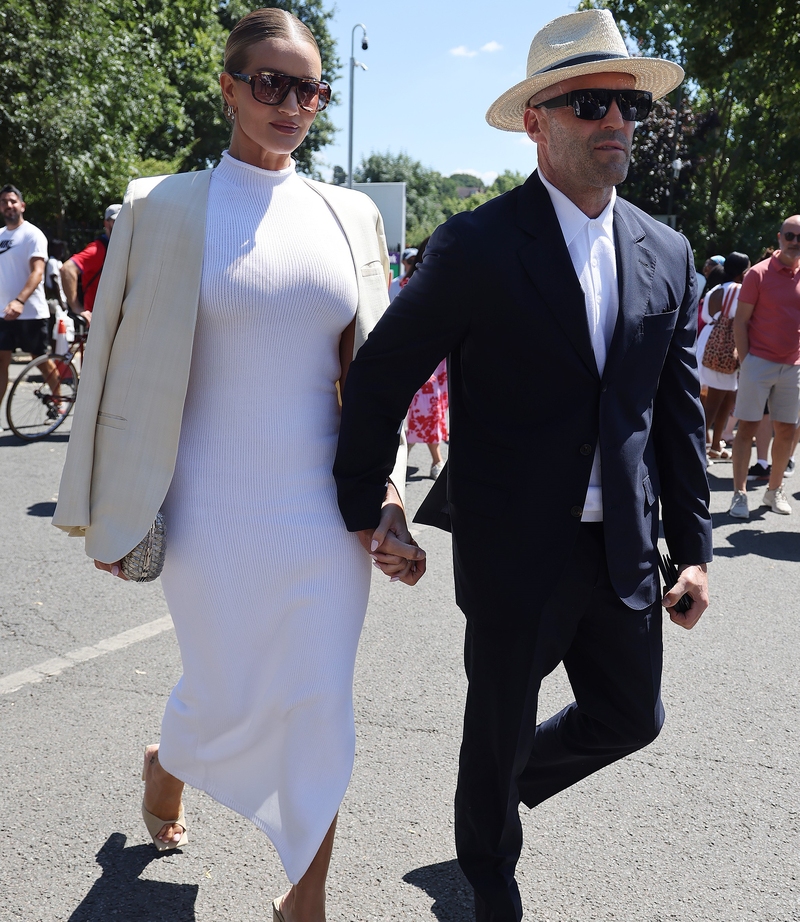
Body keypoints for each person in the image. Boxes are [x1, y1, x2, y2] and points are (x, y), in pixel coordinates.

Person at [333, 10, 712, 921]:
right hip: (514, 545)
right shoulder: (480, 244)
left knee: (633, 718)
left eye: (627, 105)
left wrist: (693, 549)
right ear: (539, 119)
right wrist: (364, 504)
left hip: (623, 542)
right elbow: (383, 373)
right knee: (497, 716)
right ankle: (487, 871)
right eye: (591, 103)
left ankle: (493, 796)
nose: (616, 122)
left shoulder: (667, 251)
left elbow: (676, 412)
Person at [52, 10, 418, 922]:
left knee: (317, 702)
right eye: (271, 84)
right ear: (229, 87)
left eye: (309, 89)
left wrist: (391, 502)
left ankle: (306, 899)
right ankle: (166, 762)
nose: (292, 104)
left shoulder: (350, 214)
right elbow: (111, 367)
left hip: (324, 514)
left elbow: (372, 381)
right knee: (222, 689)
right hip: (208, 507)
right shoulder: (162, 206)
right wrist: (101, 506)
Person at [728, 214, 800, 517]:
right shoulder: (757, 274)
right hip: (758, 362)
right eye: (790, 236)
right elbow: (740, 322)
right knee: (747, 428)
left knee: (786, 431)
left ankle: (773, 492)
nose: (795, 243)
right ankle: (739, 493)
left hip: (793, 366)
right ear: (779, 237)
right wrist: (748, 363)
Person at [0, 184, 53, 402]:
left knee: (39, 359)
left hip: (30, 312)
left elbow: (38, 273)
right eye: (4, 202)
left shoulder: (33, 234)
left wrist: (19, 300)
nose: (9, 205)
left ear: (22, 205)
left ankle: (58, 401)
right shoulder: (0, 235)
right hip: (4, 313)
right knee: (1, 361)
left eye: (13, 201)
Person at [402, 238, 449, 479]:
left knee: (429, 411)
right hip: (416, 358)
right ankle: (436, 460)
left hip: (439, 360)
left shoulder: (447, 281)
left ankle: (404, 455)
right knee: (425, 410)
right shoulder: (407, 284)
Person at [697, 251, 750, 459]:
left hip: (709, 343)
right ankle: (700, 447)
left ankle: (715, 444)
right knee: (715, 401)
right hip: (725, 349)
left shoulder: (716, 289)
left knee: (726, 396)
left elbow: (705, 316)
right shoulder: (738, 290)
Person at [59, 204, 121, 327]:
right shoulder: (98, 249)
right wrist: (77, 308)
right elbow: (67, 269)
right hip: (98, 322)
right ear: (106, 223)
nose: (121, 225)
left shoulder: (120, 249)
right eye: (116, 221)